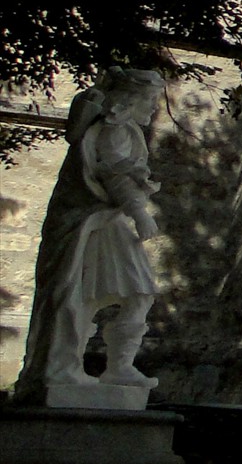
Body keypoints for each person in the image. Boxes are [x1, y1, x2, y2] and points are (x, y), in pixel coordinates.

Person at [15, 67, 166, 397]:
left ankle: (119, 368)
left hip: (104, 223)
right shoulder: (115, 130)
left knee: (135, 293)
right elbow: (115, 177)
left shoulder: (124, 130)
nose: (154, 107)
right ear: (131, 98)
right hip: (91, 223)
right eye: (150, 99)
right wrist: (140, 214)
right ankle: (67, 369)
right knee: (79, 296)